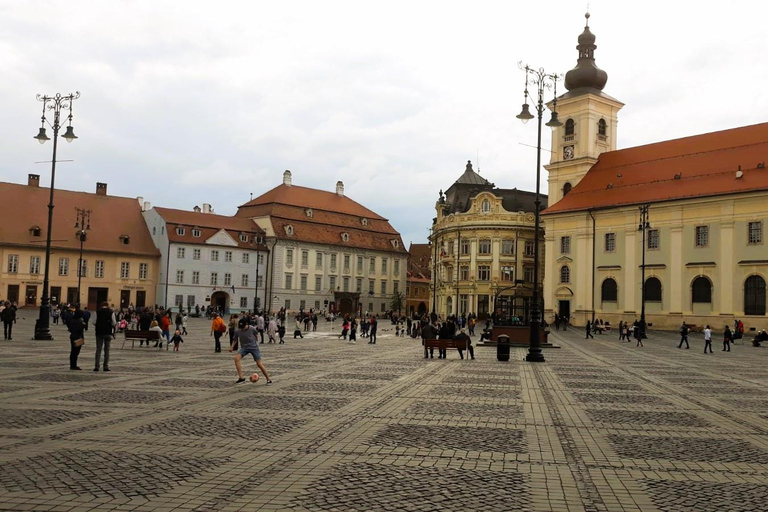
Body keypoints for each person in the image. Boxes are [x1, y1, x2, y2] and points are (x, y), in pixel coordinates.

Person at [230, 317, 272, 384]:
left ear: (246, 324)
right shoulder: (238, 331)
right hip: (244, 348)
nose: (242, 329)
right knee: (236, 358)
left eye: (243, 327)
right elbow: (235, 339)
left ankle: (268, 379)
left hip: (254, 347)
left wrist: (256, 342)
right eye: (241, 327)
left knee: (259, 364)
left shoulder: (252, 328)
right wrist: (232, 346)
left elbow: (256, 334)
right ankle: (241, 377)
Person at [93, 301, 115, 372]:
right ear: (107, 305)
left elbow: (93, 322)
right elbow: (114, 322)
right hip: (107, 332)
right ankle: (105, 366)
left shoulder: (97, 312)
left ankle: (97, 366)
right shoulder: (111, 312)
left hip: (99, 332)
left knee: (98, 349)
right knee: (107, 350)